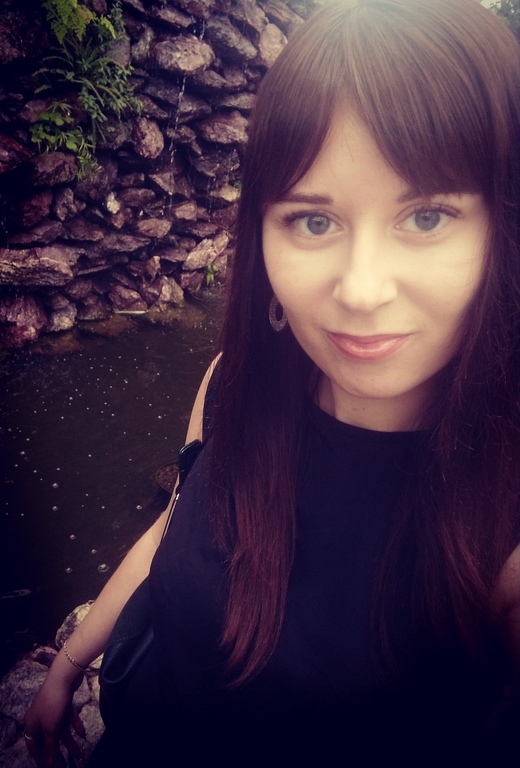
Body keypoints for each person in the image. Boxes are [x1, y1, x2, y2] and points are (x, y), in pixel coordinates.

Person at [24, 0, 519, 765]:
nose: (361, 291)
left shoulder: (505, 518)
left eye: (426, 217)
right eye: (314, 221)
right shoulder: (233, 384)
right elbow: (174, 527)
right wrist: (67, 664)